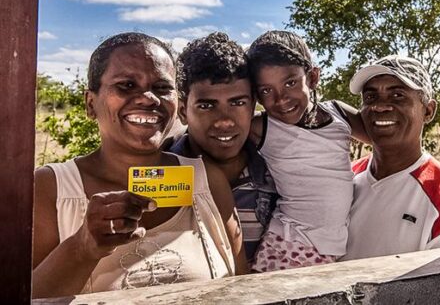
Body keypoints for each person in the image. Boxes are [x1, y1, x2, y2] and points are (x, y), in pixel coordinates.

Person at [32, 32, 242, 298]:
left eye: (162, 87)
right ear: (90, 103)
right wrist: (81, 248)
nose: (147, 98)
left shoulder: (207, 181)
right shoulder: (50, 189)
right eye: (126, 85)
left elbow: (244, 291)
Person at [246, 30, 368, 272]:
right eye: (266, 91)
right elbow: (206, 132)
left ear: (312, 77)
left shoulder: (338, 113)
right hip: (287, 246)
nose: (281, 99)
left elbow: (384, 138)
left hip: (332, 247)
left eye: (290, 83)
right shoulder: (262, 126)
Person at [342, 55, 440, 260]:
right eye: (370, 97)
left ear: (428, 111)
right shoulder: (343, 178)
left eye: (398, 96)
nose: (380, 106)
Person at [169, 32, 278, 266]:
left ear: (253, 107)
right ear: (182, 111)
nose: (224, 121)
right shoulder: (156, 175)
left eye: (237, 103)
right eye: (207, 106)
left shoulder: (281, 172)